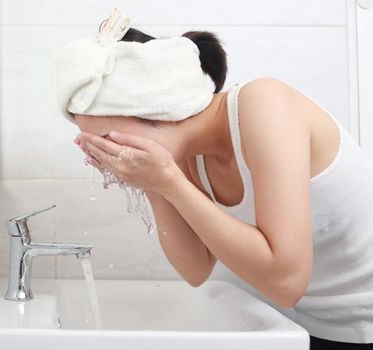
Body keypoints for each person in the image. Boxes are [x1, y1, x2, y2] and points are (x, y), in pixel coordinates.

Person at [55, 20, 373, 349]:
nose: (108, 153)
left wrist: (171, 183)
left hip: (362, 323)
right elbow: (195, 270)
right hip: (298, 323)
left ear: (161, 109)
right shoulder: (185, 154)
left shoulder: (264, 105)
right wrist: (156, 185)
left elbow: (287, 282)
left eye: (108, 139)